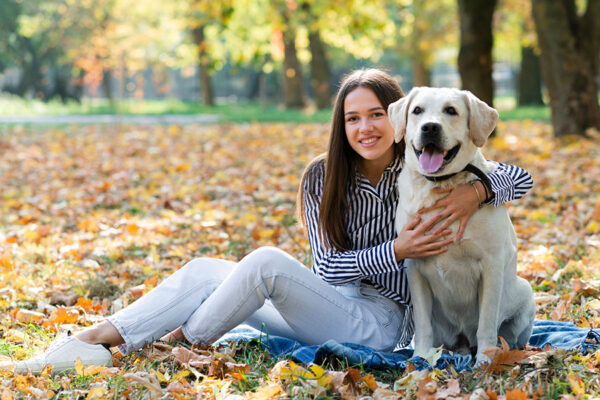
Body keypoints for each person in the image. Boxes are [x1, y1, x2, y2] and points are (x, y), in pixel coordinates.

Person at [13, 69, 533, 374]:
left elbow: (521, 178)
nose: (366, 127)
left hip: (387, 324)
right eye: (353, 118)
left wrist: (478, 191)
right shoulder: (322, 177)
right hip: (332, 302)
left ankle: (176, 346)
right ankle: (91, 341)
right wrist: (397, 249)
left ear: (394, 119)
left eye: (377, 114)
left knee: (262, 263)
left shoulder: (426, 164)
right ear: (343, 125)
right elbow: (328, 270)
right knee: (202, 270)